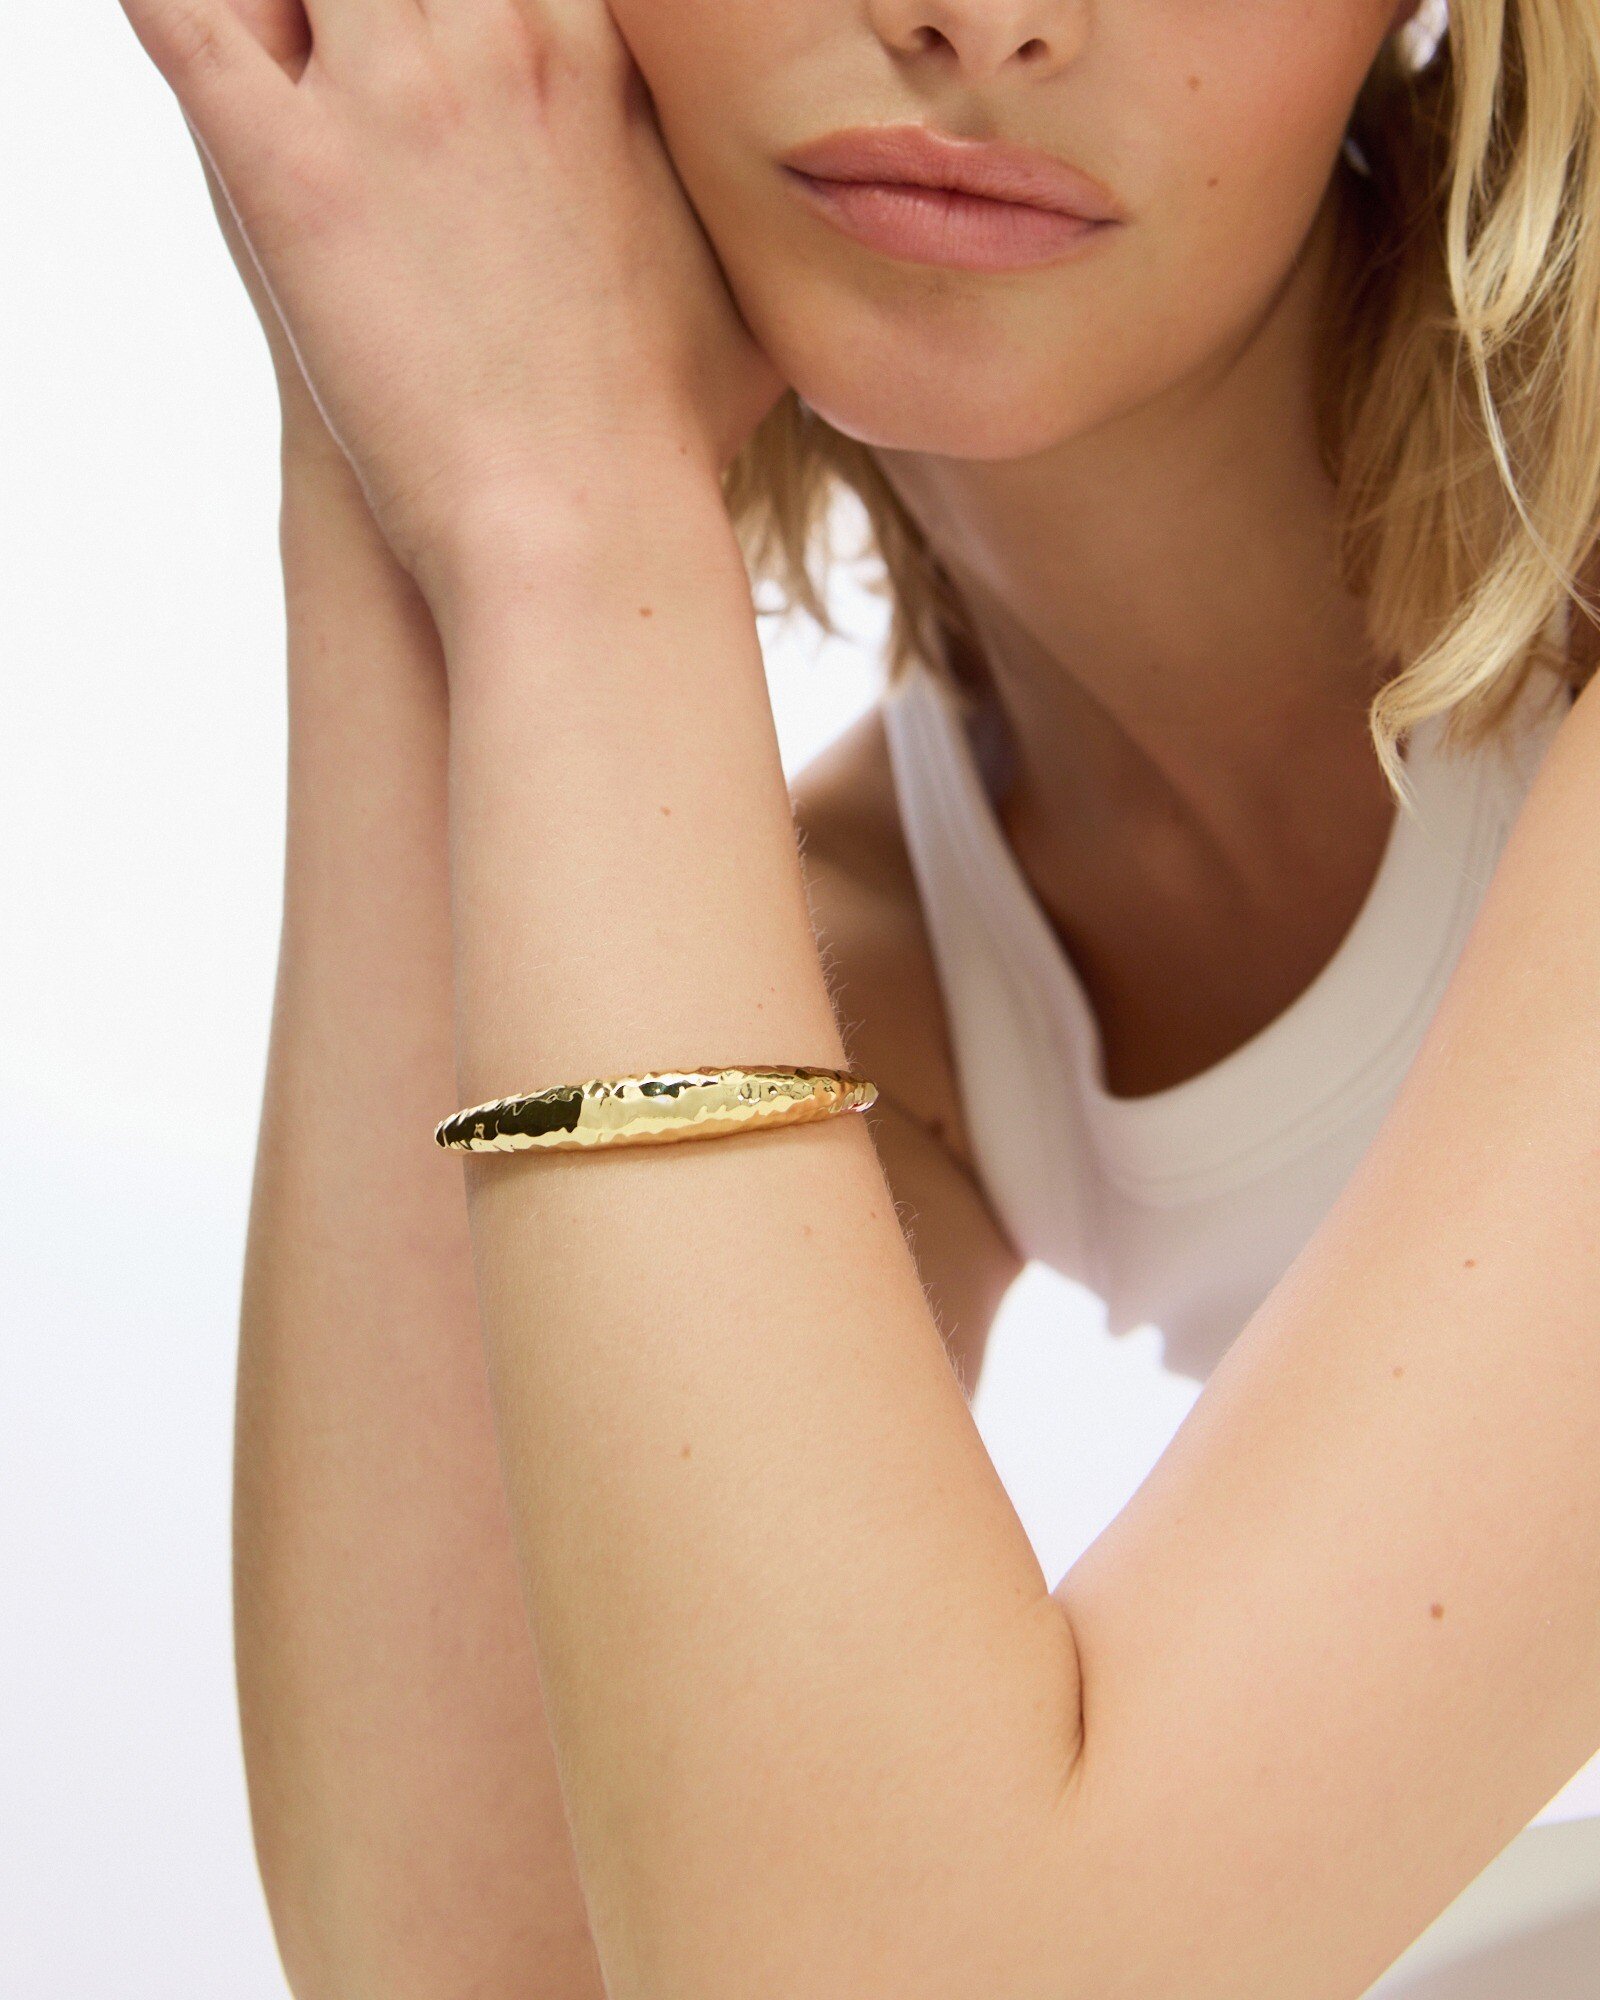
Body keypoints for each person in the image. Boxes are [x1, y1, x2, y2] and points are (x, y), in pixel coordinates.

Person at [118, 0, 1600, 1993]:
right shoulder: (865, 953)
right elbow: (478, 1969)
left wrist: (566, 527)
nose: (980, 17)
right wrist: (392, 416)